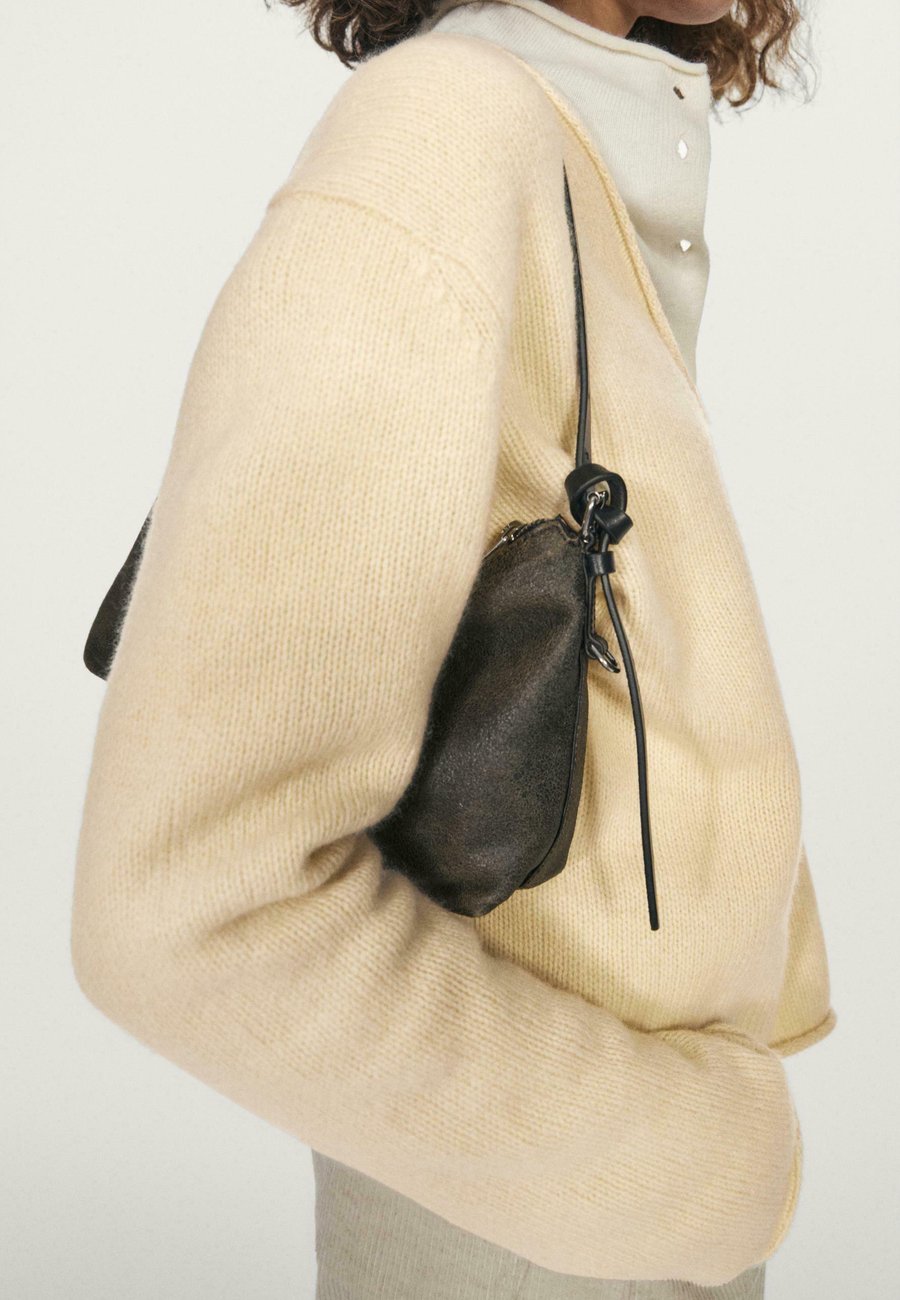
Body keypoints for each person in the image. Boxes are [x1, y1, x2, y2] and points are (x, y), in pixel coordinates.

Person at [70, 0, 836, 1297]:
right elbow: (189, 907)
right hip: (528, 1199)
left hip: (578, 1174)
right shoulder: (445, 132)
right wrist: (680, 1162)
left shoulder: (565, 132)